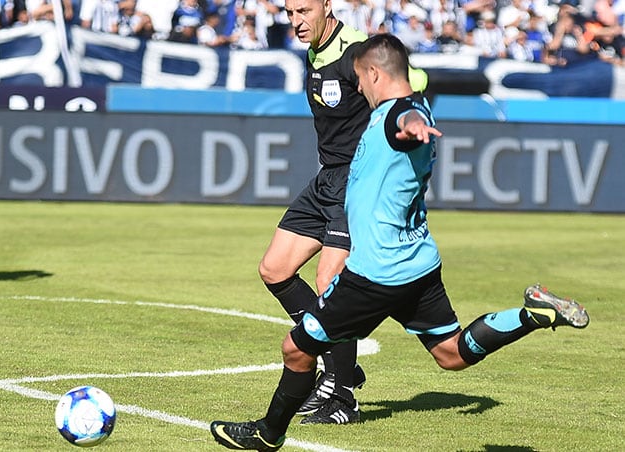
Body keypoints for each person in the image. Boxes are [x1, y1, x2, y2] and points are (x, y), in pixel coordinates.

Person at [210, 33, 590, 451]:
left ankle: (269, 433)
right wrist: (413, 122)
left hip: (375, 273)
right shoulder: (416, 103)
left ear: (374, 72)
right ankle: (530, 315)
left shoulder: (399, 113)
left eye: (360, 79)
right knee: (451, 352)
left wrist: (411, 127)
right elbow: (409, 116)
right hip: (418, 264)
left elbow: (402, 124)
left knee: (295, 350)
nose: (358, 87)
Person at [255, 0, 428, 426]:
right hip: (328, 178)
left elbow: (412, 79)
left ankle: (342, 395)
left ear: (326, 6)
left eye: (304, 11)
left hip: (359, 183)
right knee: (274, 269)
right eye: (289, 12)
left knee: (330, 280)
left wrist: (407, 115)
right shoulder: (315, 51)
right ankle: (341, 362)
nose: (296, 21)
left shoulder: (356, 50)